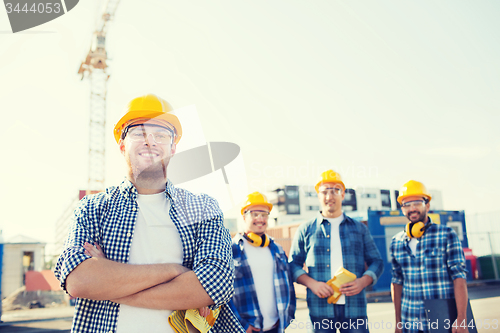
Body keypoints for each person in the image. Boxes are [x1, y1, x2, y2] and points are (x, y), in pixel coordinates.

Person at [54, 94, 244, 333]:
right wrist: (175, 270)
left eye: (161, 135)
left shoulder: (204, 208)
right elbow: (79, 281)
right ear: (122, 144)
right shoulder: (93, 208)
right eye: (139, 133)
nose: (150, 141)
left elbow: (215, 285)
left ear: (173, 148)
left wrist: (108, 285)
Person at [289, 170, 384, 333]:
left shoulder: (360, 228)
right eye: (325, 191)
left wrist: (363, 282)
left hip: (355, 309)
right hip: (320, 309)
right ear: (318, 195)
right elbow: (292, 265)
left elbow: (377, 262)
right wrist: (313, 284)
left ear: (343, 194)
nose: (329, 196)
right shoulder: (306, 229)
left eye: (335, 190)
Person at [390, 180, 469, 333]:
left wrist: (461, 319)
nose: (412, 208)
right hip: (409, 322)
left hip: (441, 320)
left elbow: (459, 277)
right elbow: (396, 282)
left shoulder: (446, 235)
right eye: (406, 204)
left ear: (427, 205)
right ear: (402, 209)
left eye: (417, 202)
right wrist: (398, 322)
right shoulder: (396, 242)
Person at [231, 192, 296, 333]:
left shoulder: (277, 249)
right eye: (254, 214)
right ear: (244, 216)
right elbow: (221, 295)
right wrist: (241, 324)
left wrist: (288, 317)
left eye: (264, 214)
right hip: (246, 330)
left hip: (276, 327)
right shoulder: (231, 250)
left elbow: (289, 285)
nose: (260, 218)